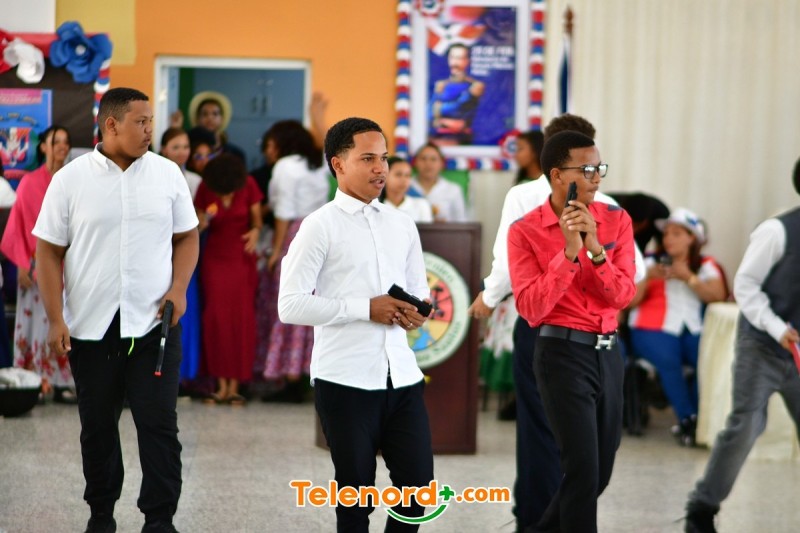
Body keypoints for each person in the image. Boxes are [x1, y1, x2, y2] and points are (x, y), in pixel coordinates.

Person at [467, 117, 644, 532]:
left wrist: (594, 249)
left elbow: (623, 294)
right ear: (557, 174)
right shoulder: (525, 228)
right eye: (587, 169)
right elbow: (530, 306)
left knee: (598, 472)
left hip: (608, 350)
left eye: (599, 167)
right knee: (577, 465)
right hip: (558, 349)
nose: (596, 177)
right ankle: (529, 516)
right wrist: (567, 253)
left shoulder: (616, 219)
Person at [34, 87, 199, 533]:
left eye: (151, 122)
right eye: (141, 122)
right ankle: (101, 513)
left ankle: (160, 519)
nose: (150, 131)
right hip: (92, 327)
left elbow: (187, 236)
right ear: (111, 125)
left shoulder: (167, 175)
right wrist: (55, 318)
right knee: (98, 427)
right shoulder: (70, 180)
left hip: (154, 325)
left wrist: (179, 287)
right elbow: (47, 251)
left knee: (159, 425)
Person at [278, 117, 434, 531]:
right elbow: (290, 305)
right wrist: (365, 309)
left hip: (402, 377)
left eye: (383, 157)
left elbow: (418, 290)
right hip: (345, 380)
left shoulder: (402, 224)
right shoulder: (319, 226)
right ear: (338, 164)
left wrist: (416, 311)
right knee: (356, 499)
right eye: (368, 159)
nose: (380, 168)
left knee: (418, 491)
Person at [683, 160, 800, 533]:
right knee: (745, 425)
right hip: (763, 347)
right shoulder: (777, 231)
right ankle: (701, 509)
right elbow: (746, 287)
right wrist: (778, 328)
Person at [628, 207, 728, 446]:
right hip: (650, 326)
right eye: (666, 234)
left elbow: (718, 295)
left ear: (692, 238)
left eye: (676, 233)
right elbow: (629, 301)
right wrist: (647, 277)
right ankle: (688, 420)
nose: (668, 239)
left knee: (705, 360)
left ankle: (700, 421)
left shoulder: (705, 264)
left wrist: (689, 277)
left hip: (691, 328)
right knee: (669, 360)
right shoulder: (648, 261)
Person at [1, 125, 75, 403]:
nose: (62, 146)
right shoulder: (30, 182)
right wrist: (21, 263)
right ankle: (35, 380)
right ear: (43, 147)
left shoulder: (72, 181)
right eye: (56, 141)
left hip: (68, 266)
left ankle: (62, 381)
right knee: (35, 324)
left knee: (65, 321)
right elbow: (18, 225)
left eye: (66, 141)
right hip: (34, 266)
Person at [258, 120, 328, 401]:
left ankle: (288, 375)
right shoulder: (317, 163)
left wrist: (276, 251)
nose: (268, 150)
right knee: (312, 300)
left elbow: (284, 212)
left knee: (288, 300)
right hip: (320, 234)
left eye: (271, 144)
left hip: (294, 234)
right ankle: (306, 372)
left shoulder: (285, 166)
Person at [195, 154, 262, 405]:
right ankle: (219, 385)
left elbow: (256, 222)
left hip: (241, 257)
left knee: (241, 318)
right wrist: (201, 223)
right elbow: (198, 222)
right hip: (215, 258)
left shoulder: (249, 184)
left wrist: (255, 233)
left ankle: (235, 386)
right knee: (215, 317)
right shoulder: (205, 187)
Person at [160, 128, 203, 384]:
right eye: (175, 147)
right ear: (164, 149)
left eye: (185, 147)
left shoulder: (196, 181)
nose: (182, 152)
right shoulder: (156, 177)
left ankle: (185, 374)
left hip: (187, 251)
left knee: (186, 309)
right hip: (161, 252)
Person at [430, 43, 484, 145]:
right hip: (439, 138)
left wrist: (440, 113)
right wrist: (446, 121)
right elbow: (430, 113)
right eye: (452, 58)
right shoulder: (441, 85)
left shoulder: (475, 85)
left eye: (459, 58)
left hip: (462, 139)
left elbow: (458, 107)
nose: (455, 62)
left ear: (467, 61)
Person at [411, 142, 468, 222]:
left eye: (433, 159)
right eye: (423, 159)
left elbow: (461, 221)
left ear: (442, 163)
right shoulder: (406, 186)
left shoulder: (453, 189)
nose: (428, 164)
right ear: (415, 162)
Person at [380, 156, 434, 223]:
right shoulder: (376, 207)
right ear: (384, 176)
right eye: (398, 174)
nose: (404, 180)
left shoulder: (421, 205)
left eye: (407, 175)